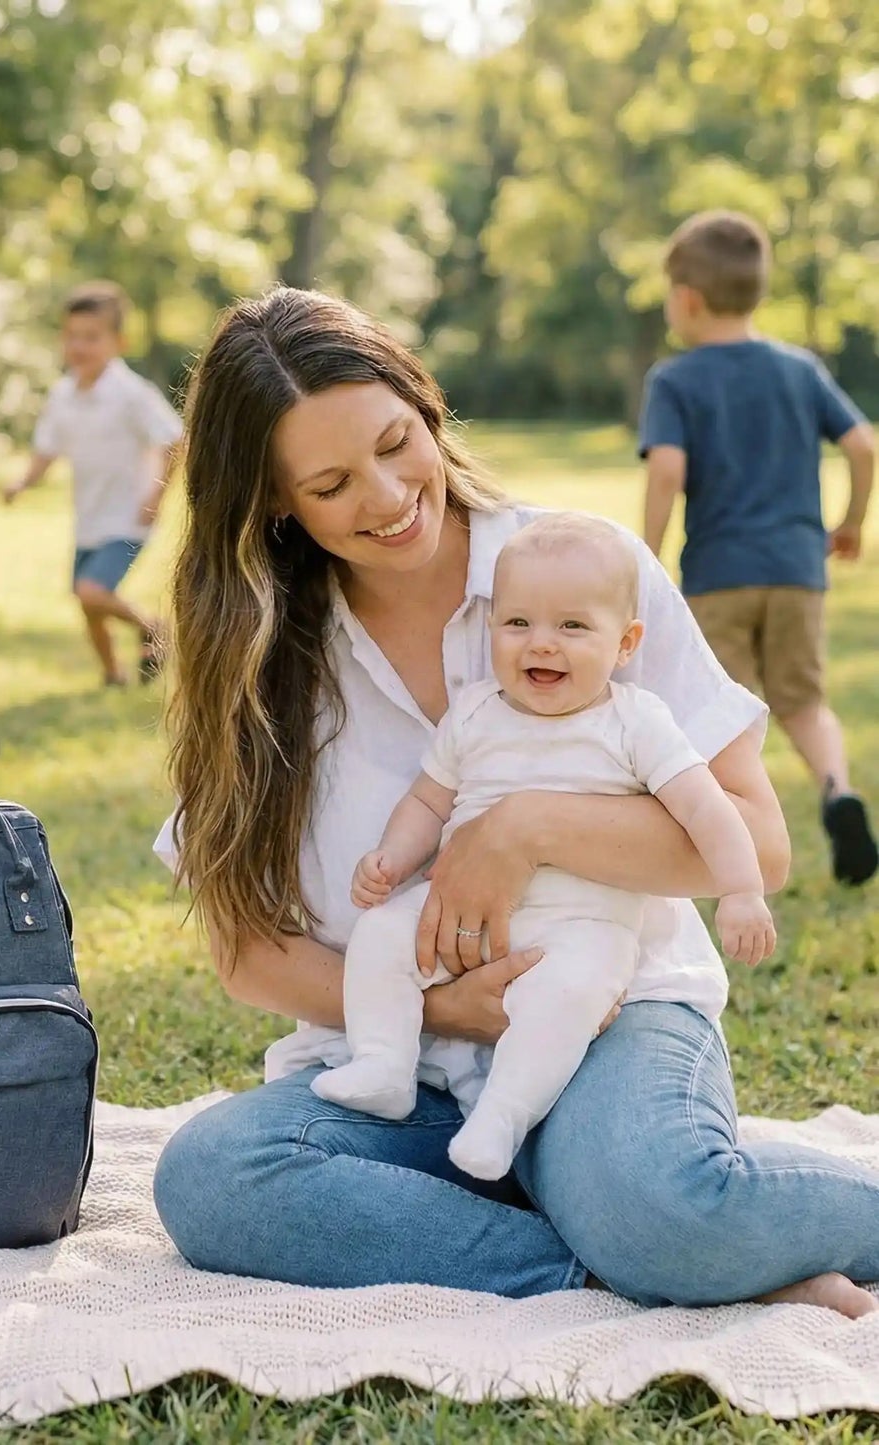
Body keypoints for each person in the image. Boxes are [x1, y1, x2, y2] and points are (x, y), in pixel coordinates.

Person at [152, 286, 879, 1318]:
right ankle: (596, 1259)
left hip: (605, 1018)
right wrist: (443, 1008)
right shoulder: (255, 663)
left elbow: (756, 843)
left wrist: (520, 827)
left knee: (649, 1201)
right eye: (329, 483)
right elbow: (245, 949)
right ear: (273, 504)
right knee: (213, 1177)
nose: (388, 493)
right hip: (395, 1065)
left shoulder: (584, 573)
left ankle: (644, 1222)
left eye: (395, 442)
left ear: (423, 403)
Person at [318, 513, 775, 1183]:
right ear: (490, 628)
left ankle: (502, 1116)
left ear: (625, 643)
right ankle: (384, 1063)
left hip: (581, 928)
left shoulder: (633, 720)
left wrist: (740, 891)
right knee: (382, 936)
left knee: (566, 997)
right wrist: (389, 856)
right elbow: (427, 799)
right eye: (517, 623)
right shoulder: (475, 712)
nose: (542, 644)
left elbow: (706, 810)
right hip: (458, 926)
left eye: (571, 626)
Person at [640, 209, 878, 886]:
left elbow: (665, 471)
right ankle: (836, 788)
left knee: (716, 718)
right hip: (798, 570)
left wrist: (646, 563)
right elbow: (862, 444)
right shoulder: (798, 370)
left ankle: (729, 849)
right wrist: (851, 520)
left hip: (717, 575)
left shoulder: (675, 380)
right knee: (804, 701)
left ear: (685, 299)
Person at [3, 282, 183, 687]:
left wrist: (155, 495)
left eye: (91, 337)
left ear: (117, 342)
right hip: (90, 517)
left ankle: (155, 627)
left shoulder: (131, 393)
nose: (79, 346)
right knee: (89, 606)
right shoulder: (64, 394)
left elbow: (174, 440)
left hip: (128, 516)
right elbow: (47, 450)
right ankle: (112, 673)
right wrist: (23, 482)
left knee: (91, 591)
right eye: (71, 337)